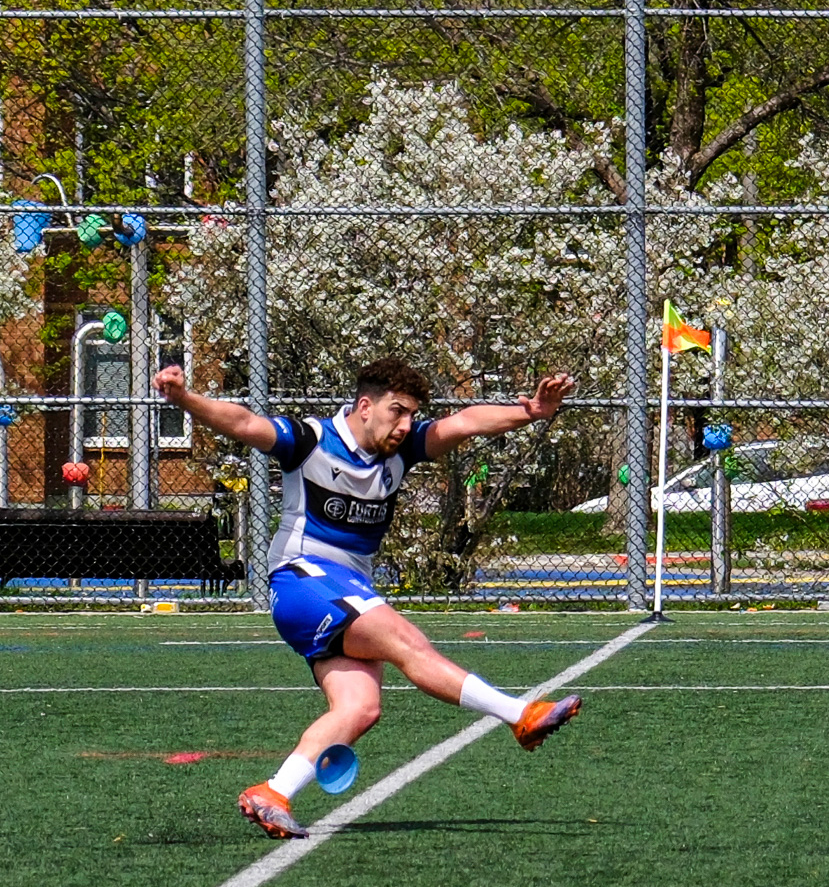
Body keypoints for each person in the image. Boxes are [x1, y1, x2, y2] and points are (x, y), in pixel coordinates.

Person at [152, 356, 581, 839]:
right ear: (364, 406)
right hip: (301, 579)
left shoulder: (401, 452)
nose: (406, 424)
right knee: (405, 639)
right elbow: (246, 423)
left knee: (360, 708)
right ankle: (519, 714)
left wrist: (533, 412)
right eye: (397, 411)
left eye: (412, 414)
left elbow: (464, 422)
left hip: (344, 590)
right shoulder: (311, 440)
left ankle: (273, 792)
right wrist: (185, 400)